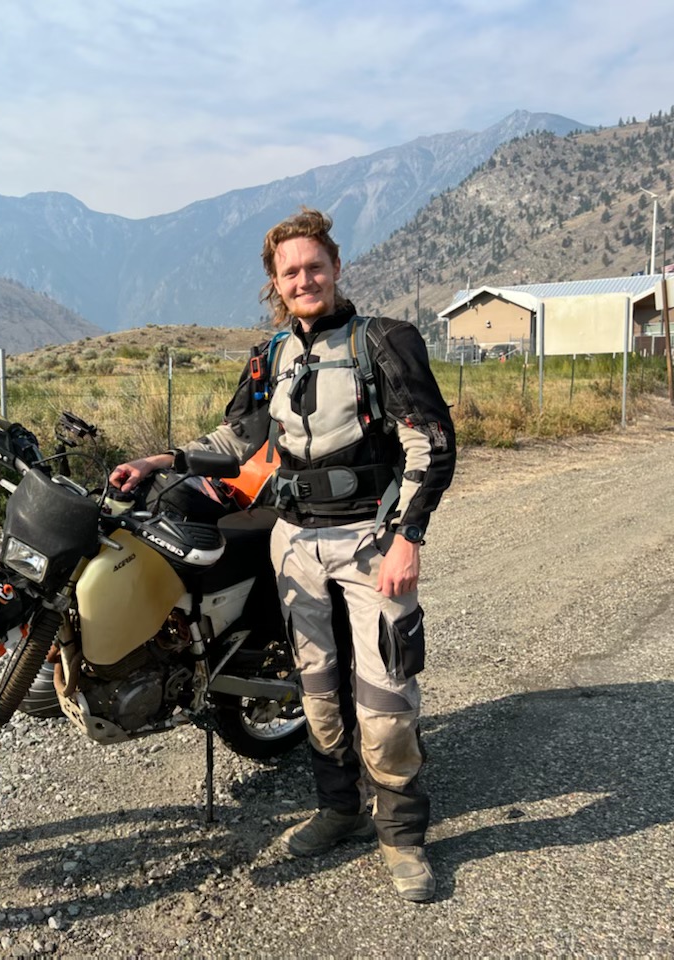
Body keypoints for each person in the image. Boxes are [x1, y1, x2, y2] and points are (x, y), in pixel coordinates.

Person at [109, 208, 456, 902]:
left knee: (385, 703)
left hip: (370, 540)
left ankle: (403, 835)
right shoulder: (271, 355)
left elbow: (431, 442)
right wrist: (163, 458)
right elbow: (239, 435)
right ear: (276, 282)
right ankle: (339, 809)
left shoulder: (383, 341)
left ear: (335, 267)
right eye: (290, 271)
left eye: (314, 266)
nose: (305, 279)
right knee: (319, 695)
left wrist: (409, 537)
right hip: (293, 541)